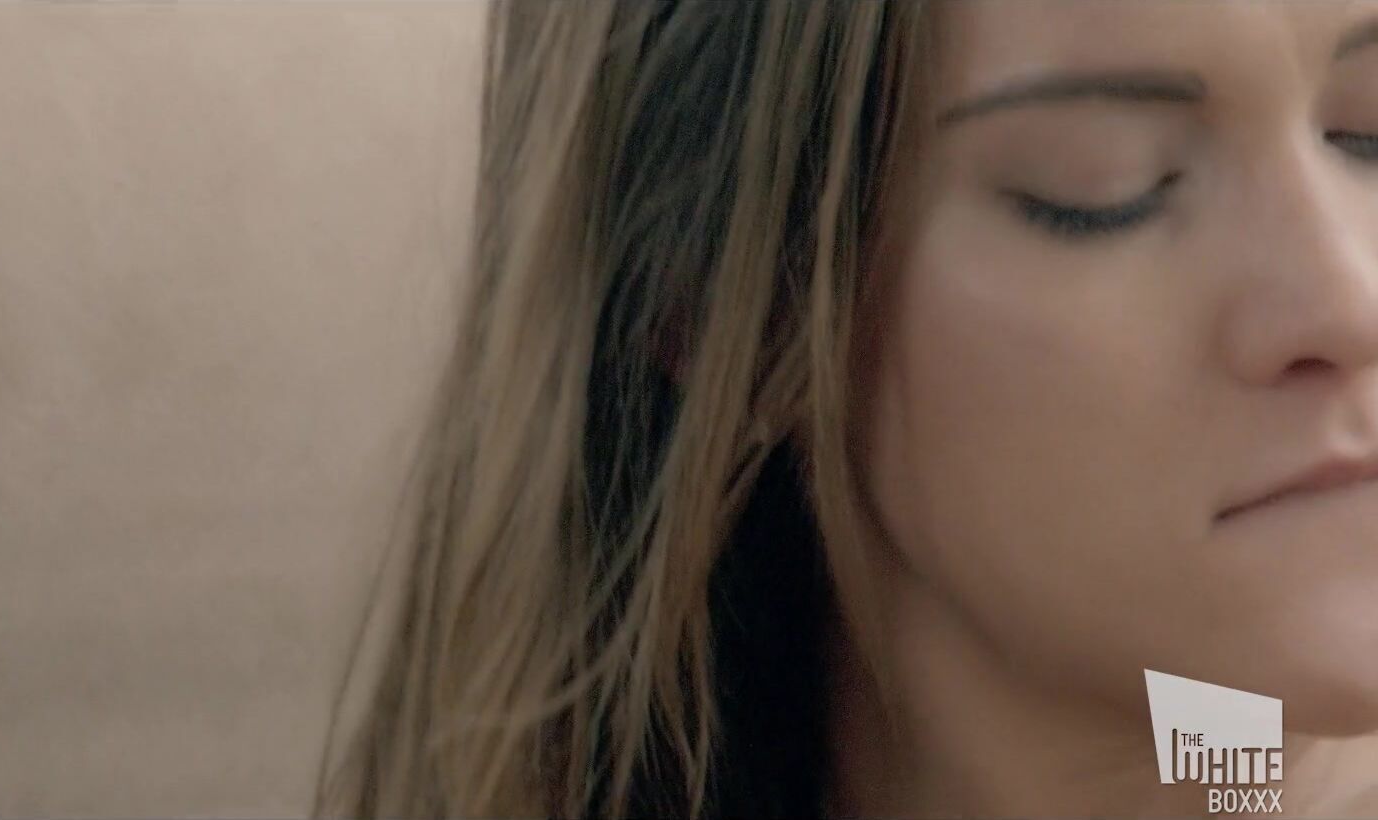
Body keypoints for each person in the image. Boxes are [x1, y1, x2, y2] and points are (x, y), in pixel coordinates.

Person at [313, 1, 1378, 817]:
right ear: (715, 305)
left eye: (1369, 134)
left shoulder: (1229, 748)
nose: (1351, 300)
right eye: (1104, 186)